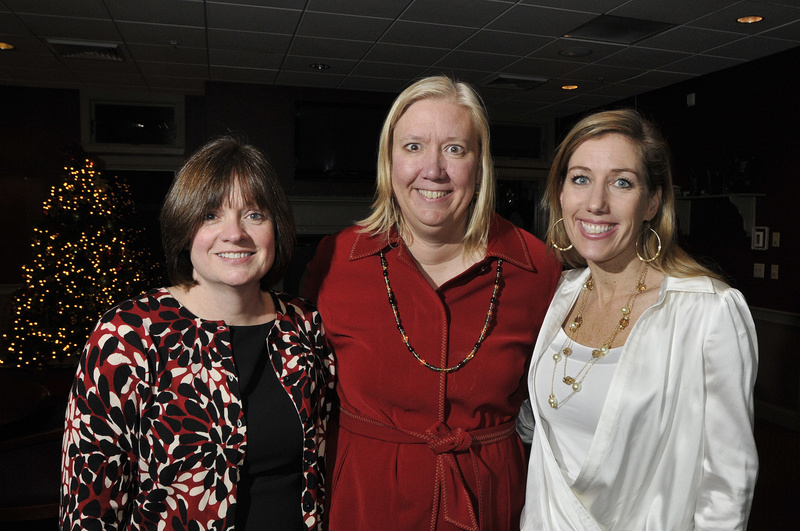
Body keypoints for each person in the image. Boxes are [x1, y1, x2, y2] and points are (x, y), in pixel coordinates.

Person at [302, 76, 561, 530]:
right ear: (389, 160)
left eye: (455, 149)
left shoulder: (537, 269)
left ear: (480, 166)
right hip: (366, 505)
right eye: (414, 147)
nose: (434, 169)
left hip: (492, 504)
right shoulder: (336, 260)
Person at [60, 136, 335, 530]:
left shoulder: (305, 325)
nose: (235, 233)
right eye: (210, 215)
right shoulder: (127, 335)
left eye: (254, 214)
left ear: (277, 227)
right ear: (185, 229)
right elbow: (88, 506)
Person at [518, 109, 758, 530]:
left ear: (653, 201)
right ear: (560, 193)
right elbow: (541, 423)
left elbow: (726, 482)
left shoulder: (707, 312)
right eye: (580, 178)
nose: (596, 202)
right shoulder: (558, 293)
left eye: (622, 182)